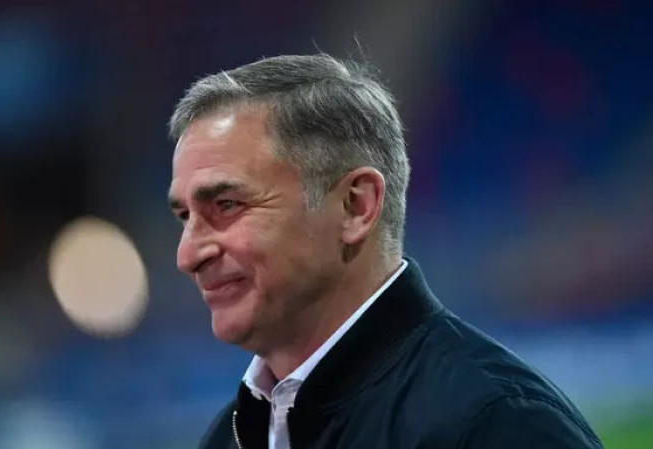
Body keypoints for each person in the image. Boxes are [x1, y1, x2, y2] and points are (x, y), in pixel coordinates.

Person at [166, 54, 604, 449]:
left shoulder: (495, 425)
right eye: (185, 216)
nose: (188, 256)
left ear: (355, 207)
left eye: (227, 205)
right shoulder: (231, 436)